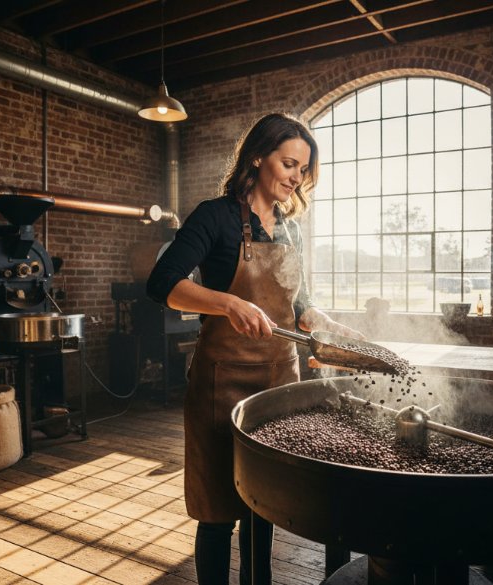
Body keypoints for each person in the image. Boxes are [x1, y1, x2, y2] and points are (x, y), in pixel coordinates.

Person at [146, 112, 363, 585]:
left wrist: (327, 324)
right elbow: (163, 283)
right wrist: (227, 303)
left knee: (263, 503)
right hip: (220, 382)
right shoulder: (215, 216)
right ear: (258, 157)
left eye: (303, 170)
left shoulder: (291, 230)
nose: (296, 177)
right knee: (217, 508)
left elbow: (297, 304)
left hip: (277, 383)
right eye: (289, 164)